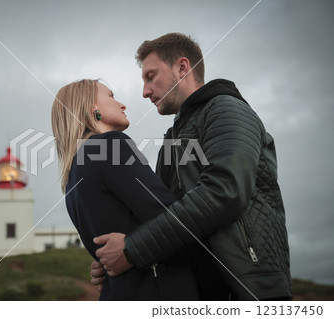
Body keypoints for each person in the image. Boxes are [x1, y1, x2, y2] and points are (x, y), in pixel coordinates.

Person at [91, 33, 292, 301]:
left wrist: (132, 249)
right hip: (201, 292)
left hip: (250, 290)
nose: (145, 91)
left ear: (182, 68)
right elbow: (161, 215)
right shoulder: (172, 140)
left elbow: (223, 193)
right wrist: (112, 258)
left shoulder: (226, 109)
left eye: (151, 76)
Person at [51, 79, 199, 300]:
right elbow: (173, 221)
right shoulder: (109, 145)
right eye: (111, 96)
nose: (122, 104)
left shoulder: (72, 175)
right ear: (93, 108)